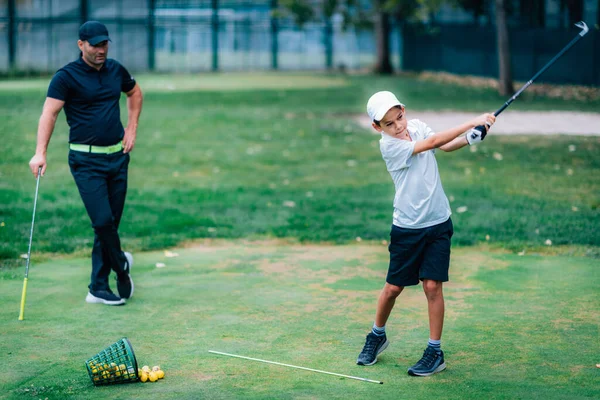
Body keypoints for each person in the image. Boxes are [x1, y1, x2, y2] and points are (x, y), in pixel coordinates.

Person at [356, 91, 495, 376]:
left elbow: (442, 147)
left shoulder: (416, 126)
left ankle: (434, 351)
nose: (398, 127)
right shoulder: (390, 147)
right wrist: (473, 121)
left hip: (438, 222)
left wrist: (470, 138)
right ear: (377, 128)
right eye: (389, 124)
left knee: (432, 287)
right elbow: (431, 142)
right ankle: (377, 335)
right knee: (393, 288)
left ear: (404, 111)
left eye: (399, 118)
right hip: (407, 227)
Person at [28, 21, 143, 306]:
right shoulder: (65, 77)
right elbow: (49, 114)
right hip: (85, 160)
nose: (101, 49)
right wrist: (39, 152)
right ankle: (121, 267)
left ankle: (98, 287)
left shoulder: (116, 69)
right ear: (81, 45)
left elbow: (135, 93)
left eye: (104, 44)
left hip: (117, 157)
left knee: (110, 224)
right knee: (102, 221)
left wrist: (132, 128)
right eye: (95, 44)